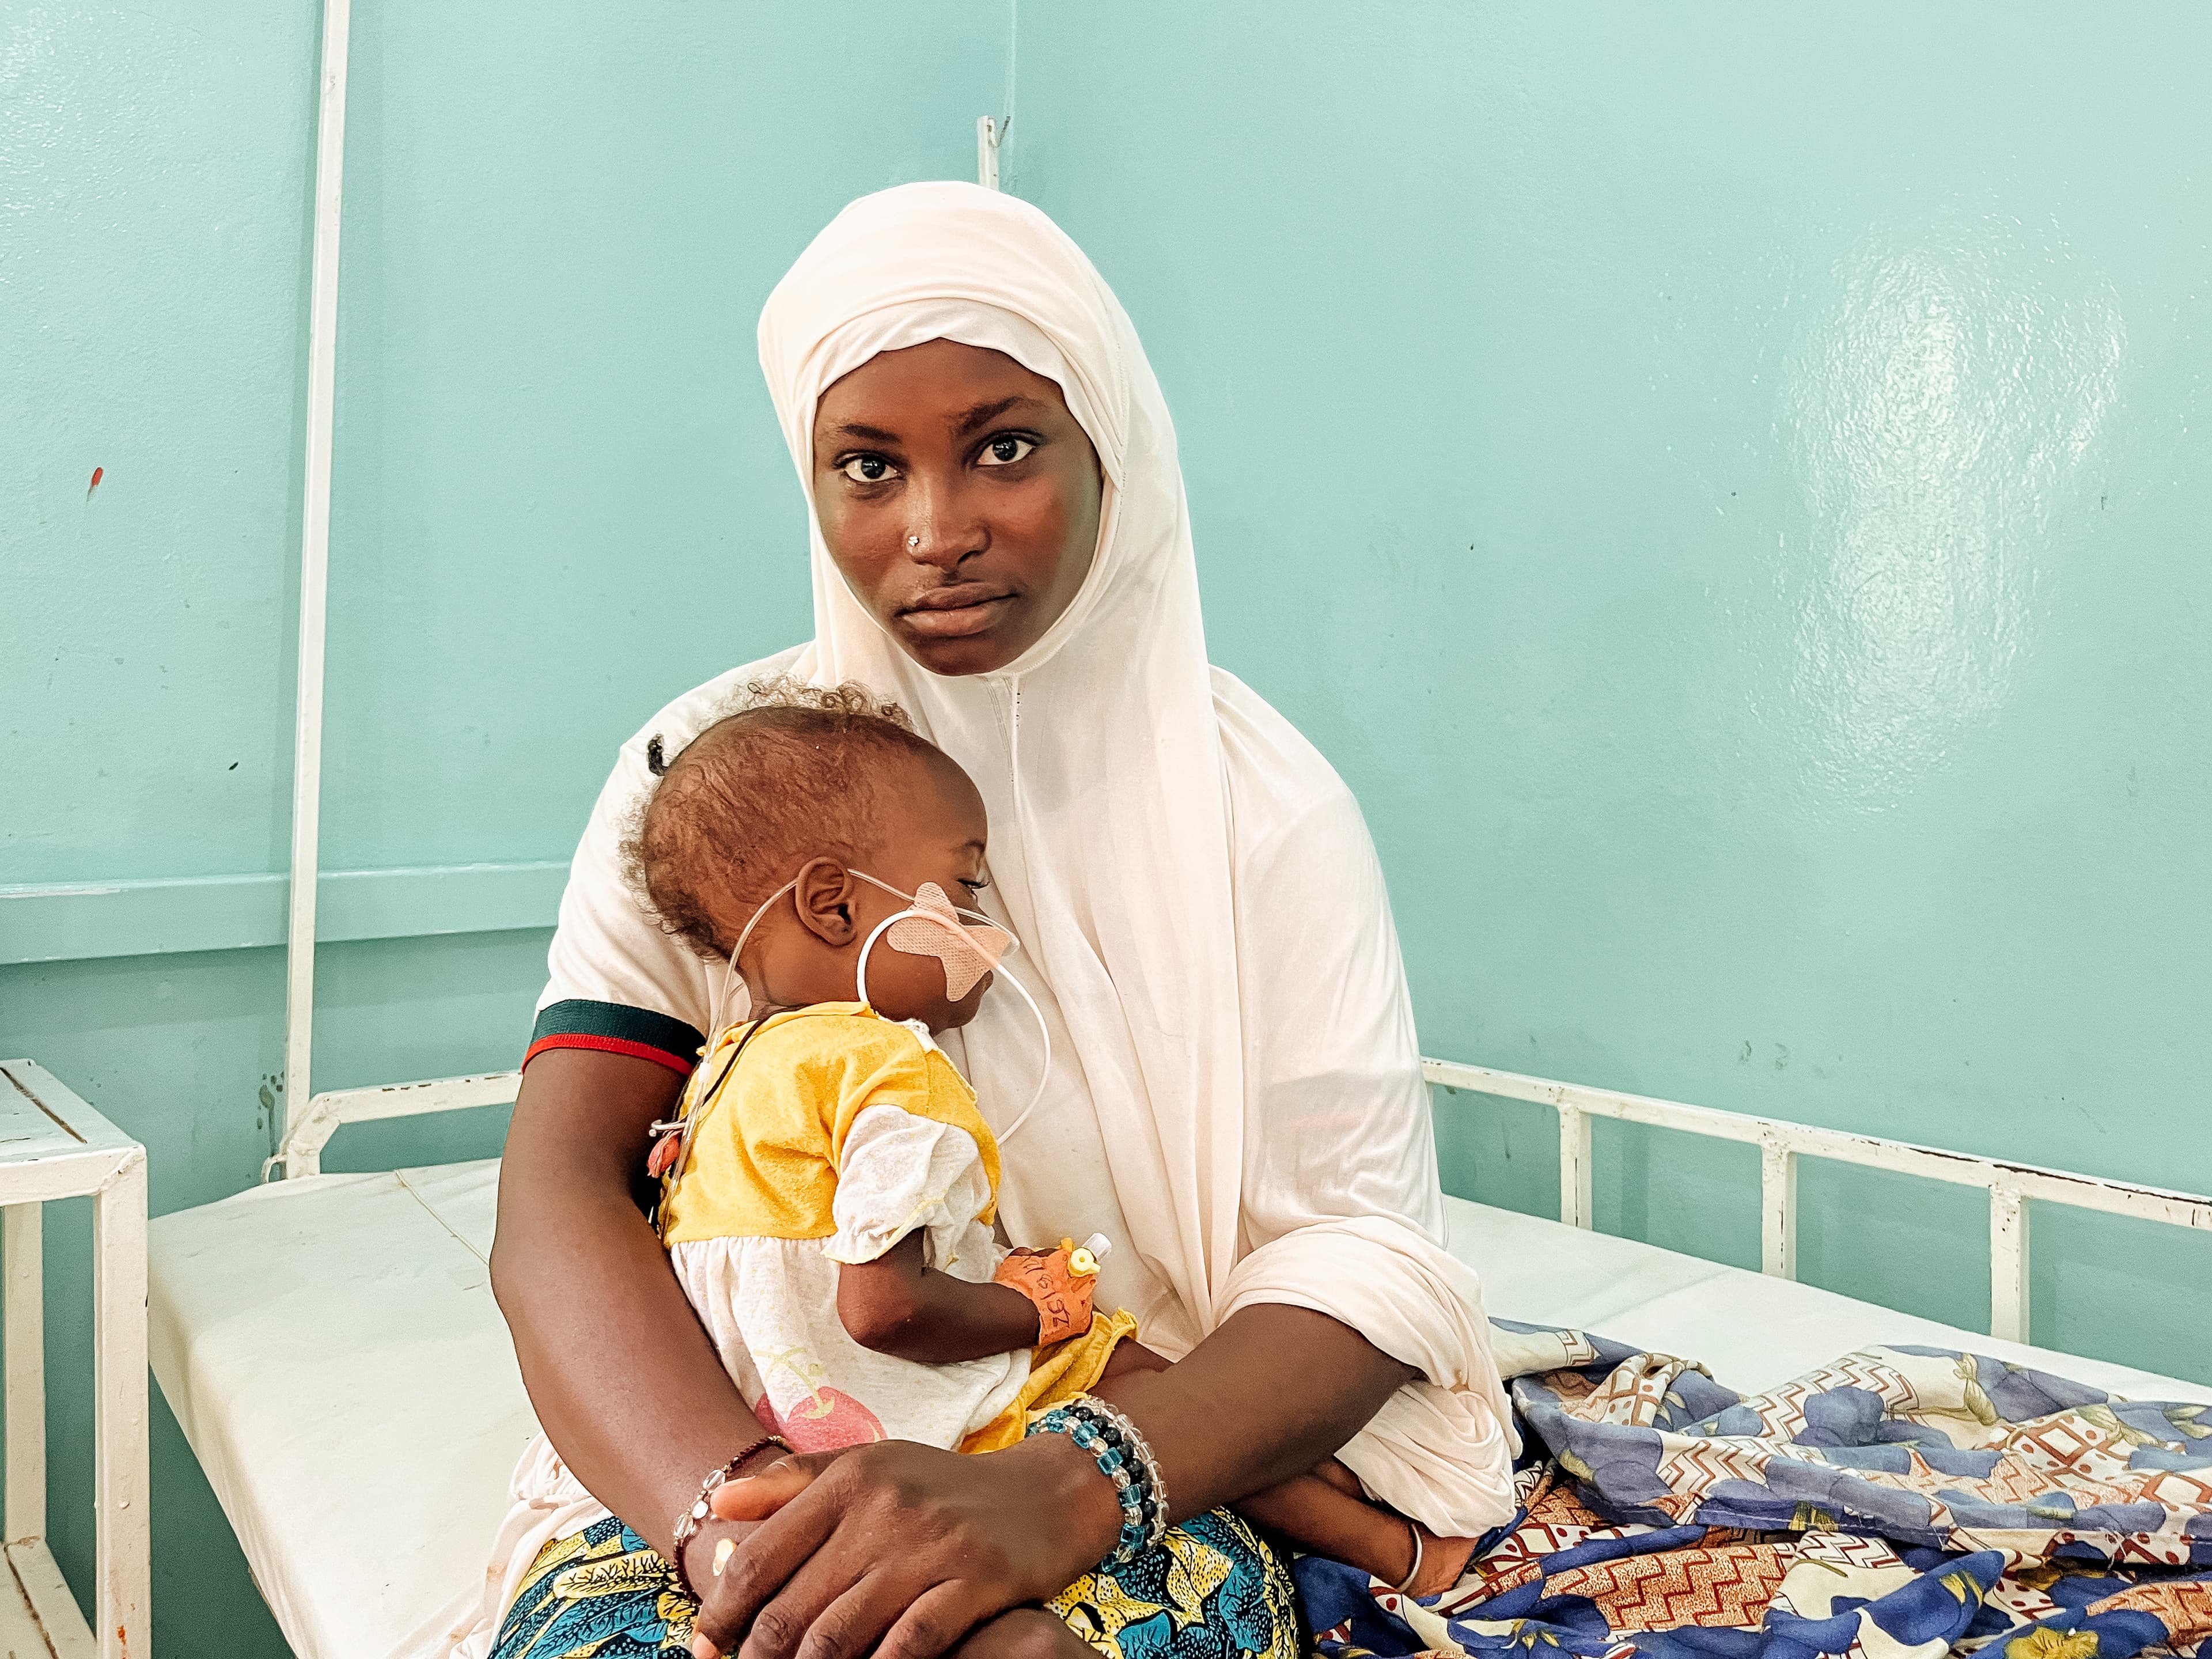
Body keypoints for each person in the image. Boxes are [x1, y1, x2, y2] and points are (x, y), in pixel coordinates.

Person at [467, 181, 1517, 1659]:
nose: (937, 530)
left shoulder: (1265, 809)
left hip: (1104, 1445)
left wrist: (1058, 1490)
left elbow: (1362, 1261)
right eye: (868, 467)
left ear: (1112, 450)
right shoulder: (716, 781)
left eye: (1004, 448)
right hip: (738, 1429)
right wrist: (742, 1514)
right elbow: (560, 1198)